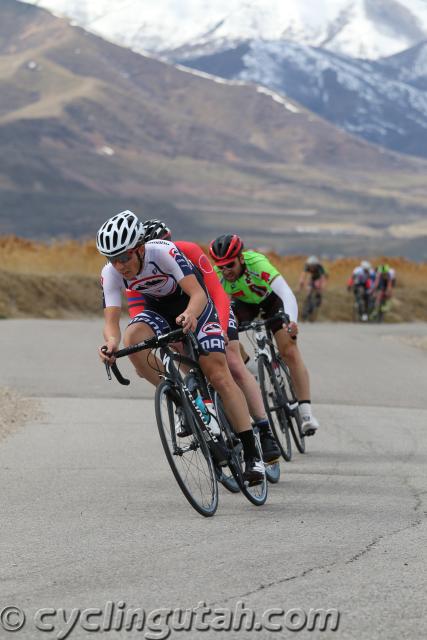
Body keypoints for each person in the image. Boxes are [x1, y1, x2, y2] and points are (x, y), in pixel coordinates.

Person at [97, 211, 265, 483]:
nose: (120, 265)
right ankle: (178, 398)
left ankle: (251, 454)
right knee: (131, 340)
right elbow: (111, 321)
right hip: (159, 310)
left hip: (195, 304)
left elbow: (198, 293)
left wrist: (190, 315)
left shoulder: (163, 253)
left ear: (139, 249)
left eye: (124, 257)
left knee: (219, 374)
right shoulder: (111, 273)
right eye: (112, 259)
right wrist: (111, 343)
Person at [125, 219, 280, 464]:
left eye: (164, 243)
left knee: (232, 362)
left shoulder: (184, 251)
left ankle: (264, 429)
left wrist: (219, 328)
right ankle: (202, 409)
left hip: (211, 306)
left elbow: (215, 290)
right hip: (178, 315)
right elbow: (138, 310)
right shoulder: (138, 270)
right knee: (181, 356)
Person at [209, 234, 320, 436]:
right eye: (221, 266)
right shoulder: (218, 275)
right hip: (245, 305)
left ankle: (305, 413)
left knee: (289, 351)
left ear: (241, 258)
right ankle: (249, 367)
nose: (225, 271)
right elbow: (216, 311)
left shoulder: (257, 263)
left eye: (230, 265)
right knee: (224, 335)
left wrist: (292, 321)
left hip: (272, 301)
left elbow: (286, 293)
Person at [298, 256, 327, 321]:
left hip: (318, 277)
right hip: (312, 278)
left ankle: (318, 297)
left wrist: (322, 287)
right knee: (309, 288)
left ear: (316, 265)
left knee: (318, 286)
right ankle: (308, 301)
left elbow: (323, 278)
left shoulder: (320, 267)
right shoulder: (306, 266)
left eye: (313, 266)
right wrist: (300, 285)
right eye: (310, 266)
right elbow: (303, 276)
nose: (311, 268)